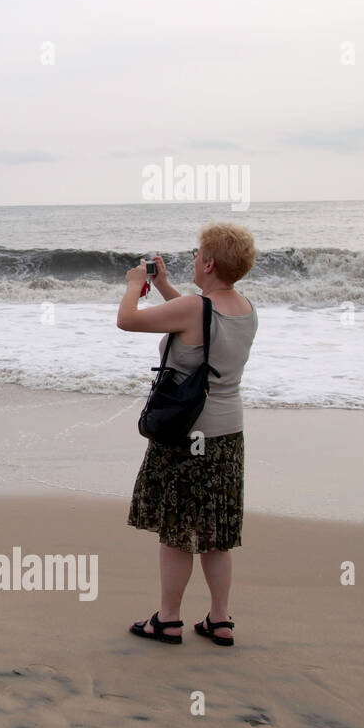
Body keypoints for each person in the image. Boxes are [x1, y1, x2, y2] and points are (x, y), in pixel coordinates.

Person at [118, 222, 258, 646]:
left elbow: (127, 320)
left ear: (210, 262)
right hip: (227, 434)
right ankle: (219, 619)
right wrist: (165, 288)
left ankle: (169, 619)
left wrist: (136, 283)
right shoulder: (245, 308)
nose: (193, 258)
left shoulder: (194, 310)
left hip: (186, 433)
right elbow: (202, 325)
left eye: (197, 253)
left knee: (177, 533)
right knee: (217, 534)